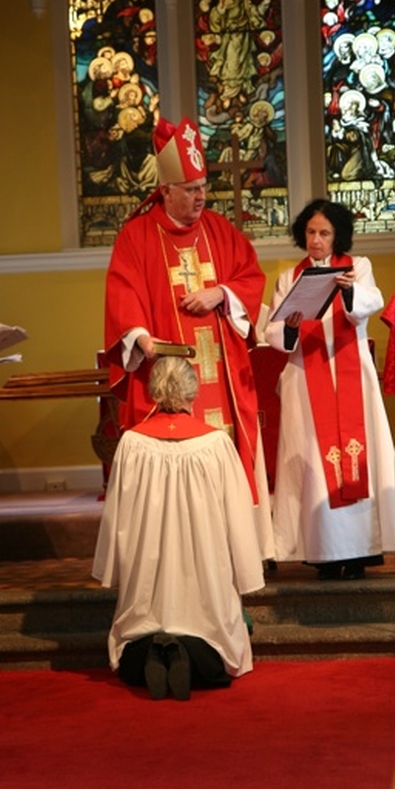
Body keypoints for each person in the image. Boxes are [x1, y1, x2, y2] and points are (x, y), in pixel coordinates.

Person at [104, 114, 274, 562]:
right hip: (167, 374)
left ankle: (233, 555)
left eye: (203, 187)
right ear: (166, 191)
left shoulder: (220, 230)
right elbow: (123, 292)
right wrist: (140, 336)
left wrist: (222, 292)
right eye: (192, 189)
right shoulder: (136, 236)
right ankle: (175, 555)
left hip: (223, 375)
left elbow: (251, 276)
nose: (202, 197)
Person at [92, 356, 266, 700]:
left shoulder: (131, 443)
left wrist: (109, 566)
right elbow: (238, 516)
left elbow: (117, 514)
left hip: (148, 579)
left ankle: (153, 650)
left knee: (136, 639)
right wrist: (247, 572)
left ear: (154, 393)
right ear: (194, 392)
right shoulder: (215, 444)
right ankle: (190, 654)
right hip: (206, 576)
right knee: (213, 641)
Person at [263, 199, 395, 579]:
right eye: (310, 232)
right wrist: (289, 326)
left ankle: (357, 554)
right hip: (307, 377)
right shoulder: (290, 278)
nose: (316, 240)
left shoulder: (358, 267)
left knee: (357, 458)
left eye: (324, 233)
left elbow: (371, 303)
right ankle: (322, 552)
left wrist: (349, 291)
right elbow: (272, 330)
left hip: (350, 371)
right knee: (313, 464)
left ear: (337, 235)